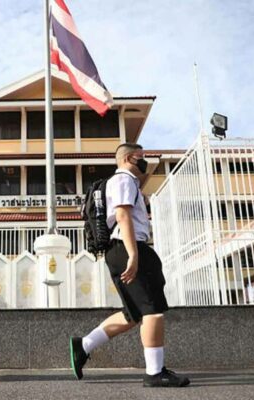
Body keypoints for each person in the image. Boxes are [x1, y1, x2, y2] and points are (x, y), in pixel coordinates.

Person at [70, 143, 190, 387]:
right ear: (129, 158)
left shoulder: (125, 183)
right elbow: (123, 216)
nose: (144, 161)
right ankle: (155, 373)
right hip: (129, 247)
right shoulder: (124, 180)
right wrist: (134, 255)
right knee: (152, 309)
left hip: (119, 250)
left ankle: (83, 345)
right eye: (141, 157)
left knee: (133, 314)